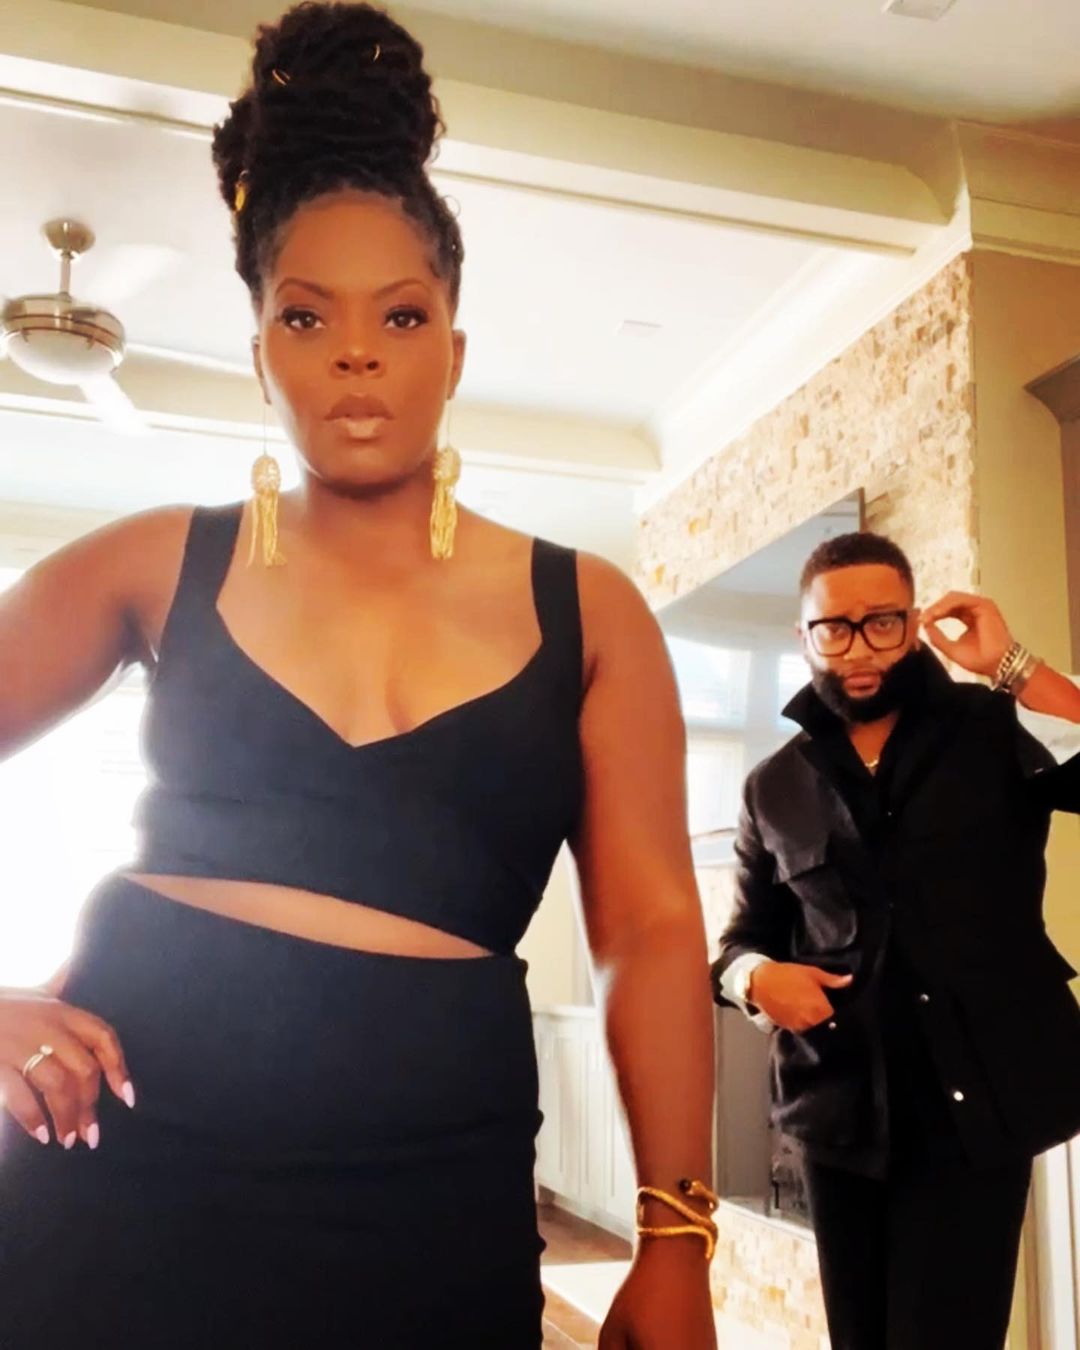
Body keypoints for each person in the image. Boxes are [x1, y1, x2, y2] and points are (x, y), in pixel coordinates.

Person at [0, 5, 718, 1345]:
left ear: (454, 345)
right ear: (260, 352)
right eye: (304, 314)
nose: (356, 350)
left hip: (431, 1196)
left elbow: (651, 931)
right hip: (128, 1168)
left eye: (401, 312)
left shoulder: (592, 611)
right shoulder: (154, 563)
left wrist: (677, 1238)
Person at [712, 530, 1080, 1350]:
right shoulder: (773, 784)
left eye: (882, 622)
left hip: (980, 1104)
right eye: (834, 629)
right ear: (804, 637)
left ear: (914, 624)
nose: (859, 649)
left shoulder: (994, 728)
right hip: (837, 1110)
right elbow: (739, 942)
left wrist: (1012, 665)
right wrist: (757, 979)